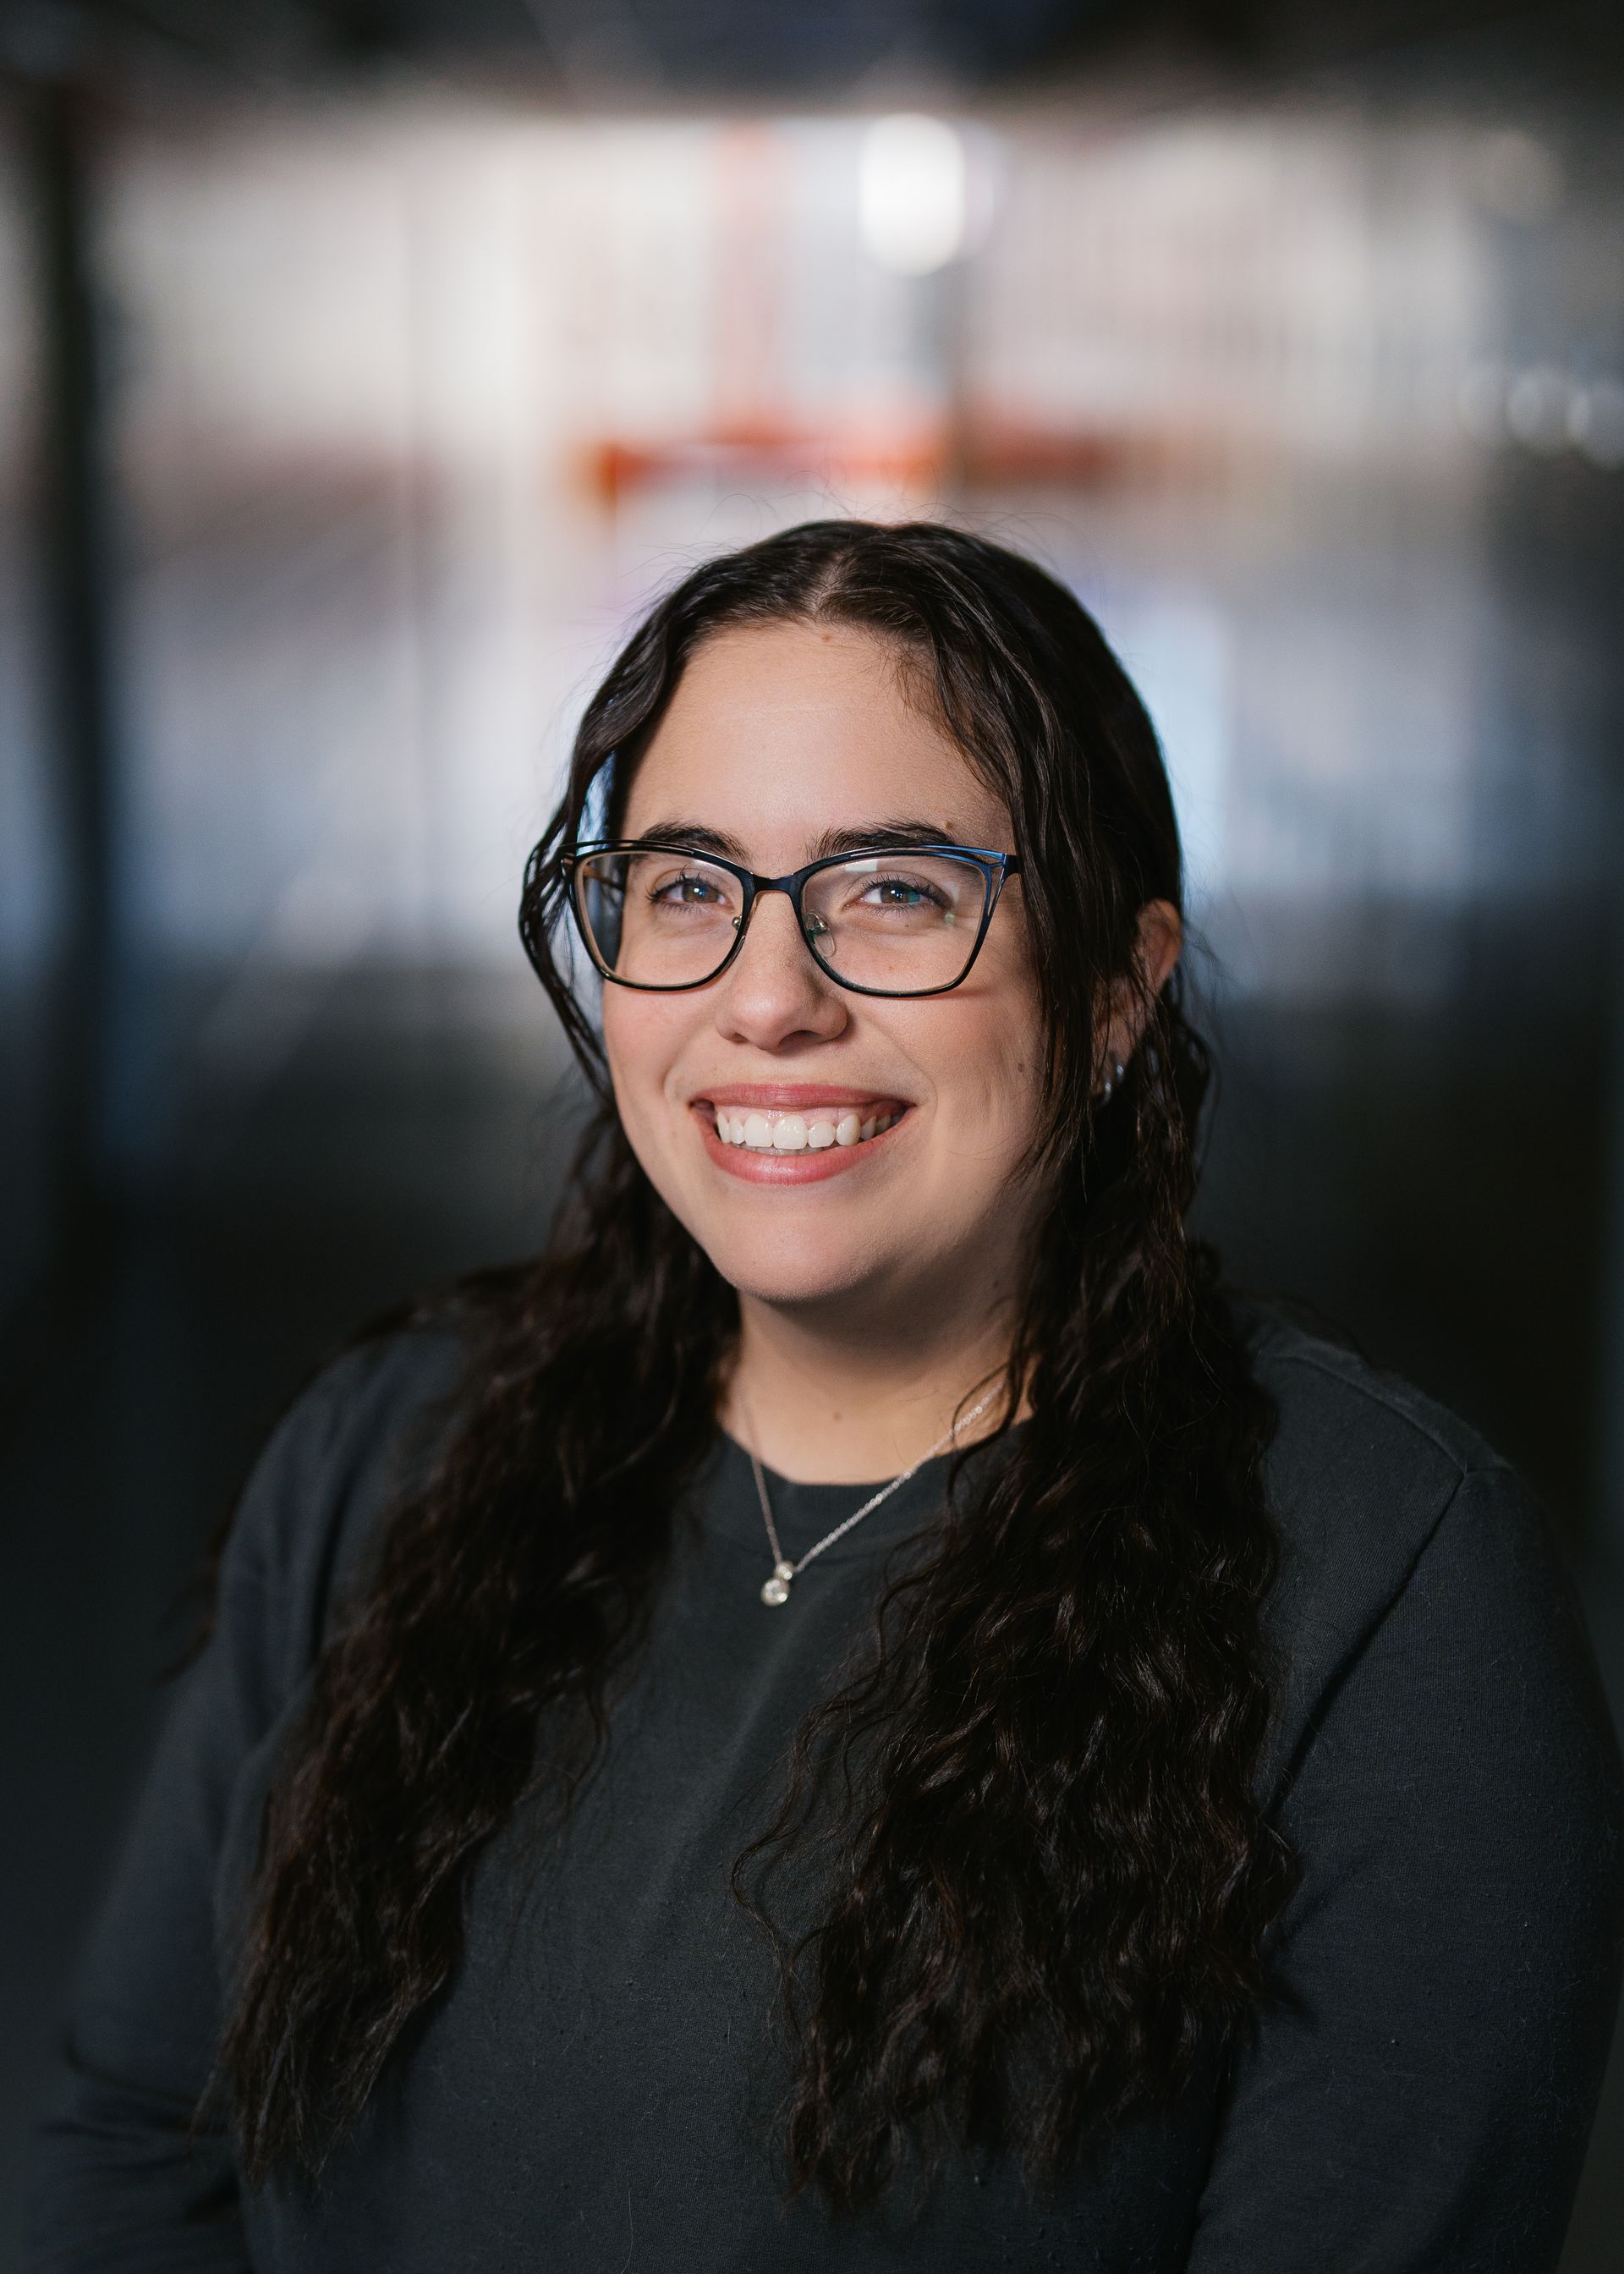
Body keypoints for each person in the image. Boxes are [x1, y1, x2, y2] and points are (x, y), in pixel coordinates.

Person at [30, 519, 1624, 2272]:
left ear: (1114, 990)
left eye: (896, 889)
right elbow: (132, 2139)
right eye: (689, 887)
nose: (767, 998)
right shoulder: (395, 1451)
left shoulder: (1386, 1587)